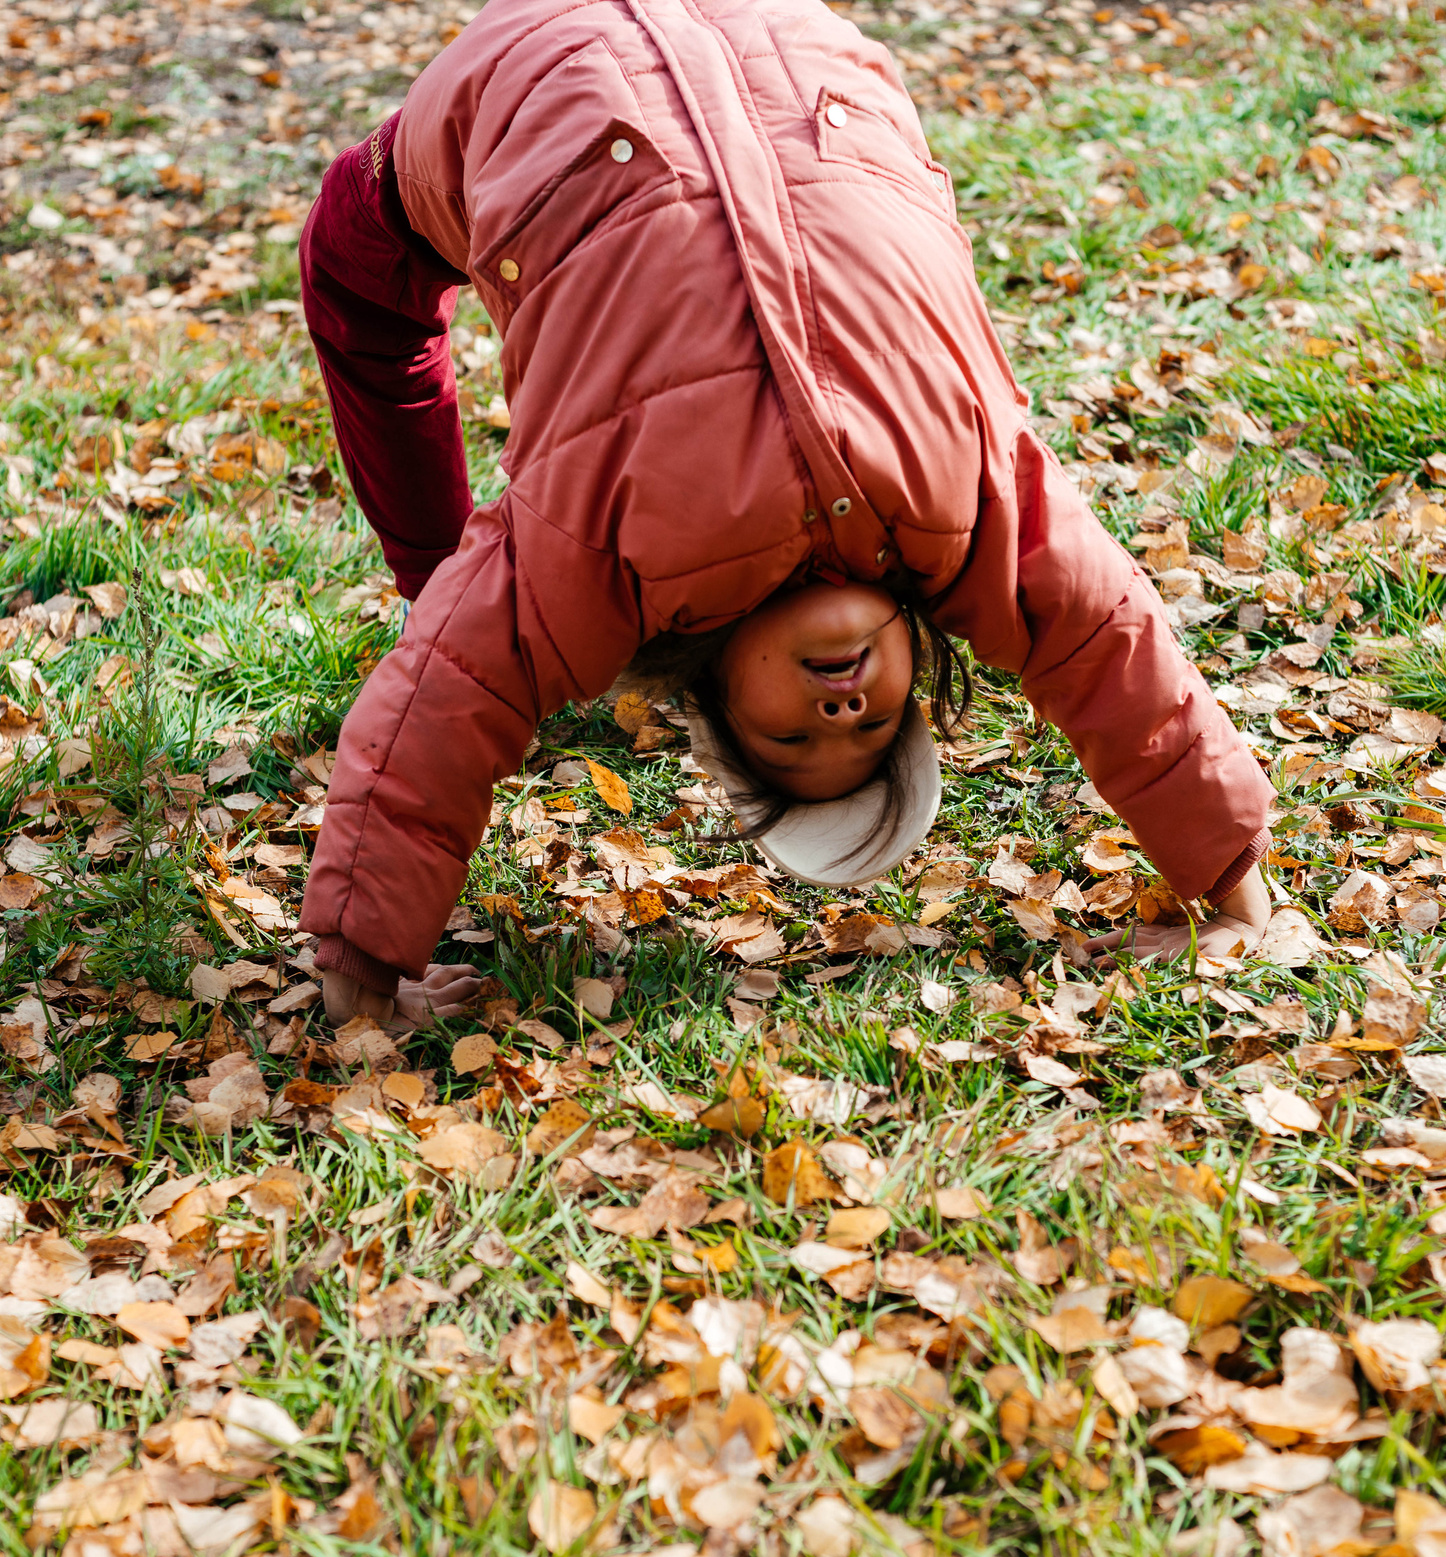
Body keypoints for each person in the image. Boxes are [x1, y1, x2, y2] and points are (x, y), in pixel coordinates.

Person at [294, 0, 1274, 1029]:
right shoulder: (968, 510)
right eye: (878, 722)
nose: (839, 712)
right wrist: (1233, 883)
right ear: (917, 663)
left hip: (539, 82)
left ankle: (431, 575)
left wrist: (364, 974)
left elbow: (442, 705)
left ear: (712, 686)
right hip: (789, 64)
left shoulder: (601, 564)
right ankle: (438, 575)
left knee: (353, 276)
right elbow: (1109, 645)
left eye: (788, 739)